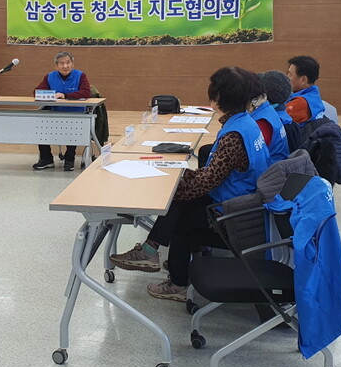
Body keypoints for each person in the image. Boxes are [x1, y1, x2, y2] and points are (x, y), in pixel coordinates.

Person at [109, 67, 272, 302]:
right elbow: (215, 174)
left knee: (181, 216)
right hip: (241, 200)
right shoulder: (246, 123)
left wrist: (173, 185)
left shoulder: (233, 136)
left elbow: (207, 181)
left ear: (219, 98)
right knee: (179, 199)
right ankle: (150, 251)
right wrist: (181, 180)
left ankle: (177, 283)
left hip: (235, 215)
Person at [32, 51, 91, 172]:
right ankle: (46, 159)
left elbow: (86, 92)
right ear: (56, 66)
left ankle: (70, 158)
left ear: (72, 64)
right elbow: (37, 92)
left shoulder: (80, 76)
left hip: (76, 114)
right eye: (62, 63)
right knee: (40, 124)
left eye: (68, 63)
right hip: (55, 113)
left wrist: (65, 95)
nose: (65, 66)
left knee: (72, 126)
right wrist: (50, 95)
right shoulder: (50, 76)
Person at [285, 55, 327, 126]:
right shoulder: (313, 96)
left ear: (303, 80)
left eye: (290, 74)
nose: (286, 77)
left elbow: (275, 121)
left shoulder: (301, 103)